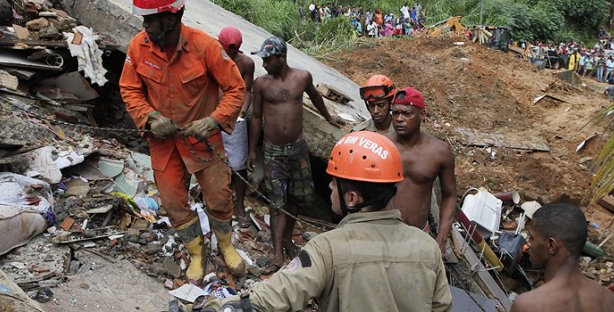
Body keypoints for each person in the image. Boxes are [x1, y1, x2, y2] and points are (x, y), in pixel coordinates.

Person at [191, 131, 452, 311]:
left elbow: (277, 295)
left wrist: (221, 306)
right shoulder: (426, 246)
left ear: (352, 198)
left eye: (334, 181)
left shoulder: (328, 248)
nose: (328, 186)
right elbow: (440, 305)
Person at [120, 0, 246, 283]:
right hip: (163, 143)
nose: (145, 26)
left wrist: (213, 120)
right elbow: (129, 89)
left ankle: (226, 245)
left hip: (203, 139)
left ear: (171, 18)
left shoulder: (205, 47)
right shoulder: (138, 47)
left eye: (151, 20)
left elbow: (236, 88)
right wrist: (150, 117)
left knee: (218, 196)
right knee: (173, 202)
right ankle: (197, 253)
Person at [248, 36, 346, 273]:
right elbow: (256, 117)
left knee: (297, 198)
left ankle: (287, 239)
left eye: (268, 59)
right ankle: (277, 253)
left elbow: (315, 96)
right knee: (276, 201)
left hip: (298, 149)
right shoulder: (261, 84)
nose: (263, 64)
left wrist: (329, 117)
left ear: (282, 58)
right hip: (273, 151)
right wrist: (252, 149)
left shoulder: (302, 77)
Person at [512, 203, 614, 312]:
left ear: (551, 246)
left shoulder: (529, 305)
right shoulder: (610, 301)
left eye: (532, 237)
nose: (527, 243)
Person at [386, 88, 458, 251]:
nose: (399, 119)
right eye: (395, 113)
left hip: (417, 237)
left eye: (406, 113)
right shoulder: (382, 145)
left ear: (422, 115)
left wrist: (441, 238)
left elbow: (450, 195)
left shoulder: (439, 152)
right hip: (381, 234)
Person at [218, 26, 255, 226]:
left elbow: (247, 91)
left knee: (239, 165)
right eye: (227, 49)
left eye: (234, 50)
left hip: (235, 119)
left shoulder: (246, 64)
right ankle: (211, 201)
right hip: (212, 115)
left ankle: (239, 205)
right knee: (208, 159)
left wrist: (243, 109)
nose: (230, 54)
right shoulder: (212, 56)